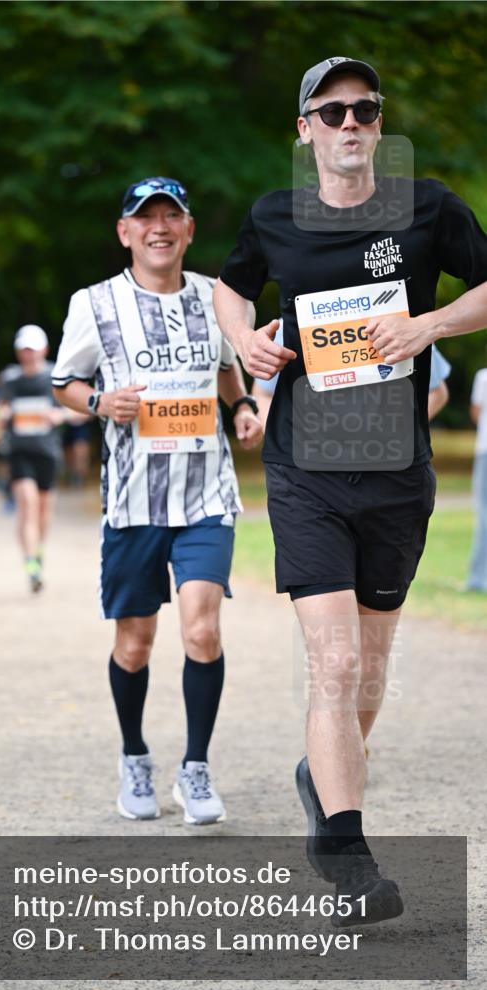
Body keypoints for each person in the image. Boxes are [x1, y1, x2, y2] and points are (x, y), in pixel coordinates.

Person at [213, 57, 487, 923]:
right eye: (329, 112)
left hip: (398, 472)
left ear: (377, 122)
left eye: (363, 109)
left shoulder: (428, 207)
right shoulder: (271, 216)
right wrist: (242, 348)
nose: (347, 124)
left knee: (367, 667)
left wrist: (427, 324)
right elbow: (228, 288)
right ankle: (347, 855)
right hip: (303, 469)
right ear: (304, 129)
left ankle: (319, 780)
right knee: (331, 662)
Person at [53, 176, 262, 825]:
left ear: (189, 230)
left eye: (172, 216)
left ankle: (195, 768)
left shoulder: (213, 296)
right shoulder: (93, 303)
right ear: (125, 232)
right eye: (146, 218)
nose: (159, 227)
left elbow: (229, 365)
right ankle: (134, 755)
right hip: (133, 500)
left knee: (201, 629)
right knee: (135, 643)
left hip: (206, 493)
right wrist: (97, 402)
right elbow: (65, 381)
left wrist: (245, 405)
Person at [0, 325, 68, 593]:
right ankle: (31, 566)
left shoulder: (55, 377)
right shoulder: (10, 379)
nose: (28, 354)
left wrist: (60, 416)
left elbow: (79, 410)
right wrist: (1, 414)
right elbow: (1, 406)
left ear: (44, 350)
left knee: (43, 511)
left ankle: (37, 552)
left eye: (33, 349)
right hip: (19, 451)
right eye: (24, 349)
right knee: (27, 503)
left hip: (47, 453)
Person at [254, 339, 452, 429]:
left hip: (386, 467)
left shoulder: (401, 328)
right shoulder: (289, 329)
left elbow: (437, 391)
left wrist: (400, 428)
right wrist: (279, 433)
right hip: (308, 469)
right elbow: (263, 392)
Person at [467, 363, 487, 591]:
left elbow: (476, 412)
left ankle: (478, 579)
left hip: (485, 451)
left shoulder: (483, 376)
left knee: (483, 515)